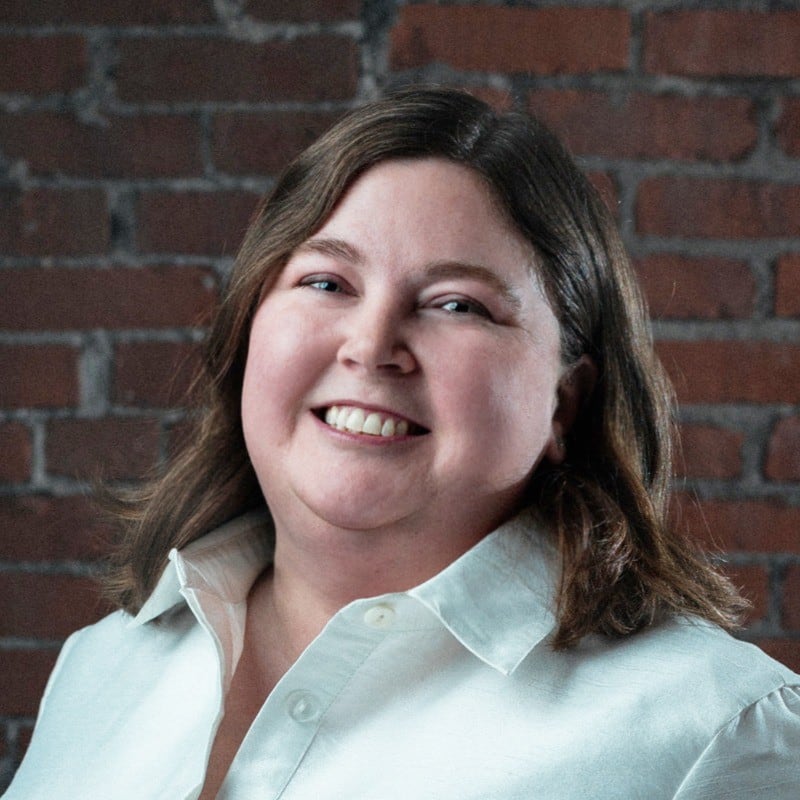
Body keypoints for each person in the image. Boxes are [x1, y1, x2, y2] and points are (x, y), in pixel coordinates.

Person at [6, 87, 799, 799]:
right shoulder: (101, 667)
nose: (371, 343)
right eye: (326, 283)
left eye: (457, 305)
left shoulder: (715, 735)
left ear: (566, 403)